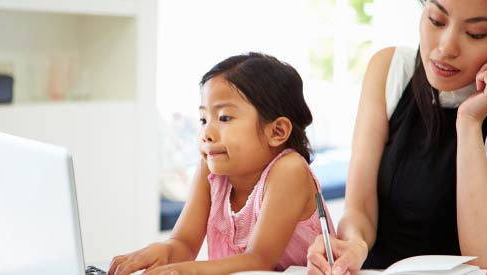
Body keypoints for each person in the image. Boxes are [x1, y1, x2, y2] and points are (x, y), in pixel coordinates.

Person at [306, 0, 487, 274]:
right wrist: (354, 244)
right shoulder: (390, 69)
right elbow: (360, 209)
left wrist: (469, 122)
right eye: (436, 21)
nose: (446, 47)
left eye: (476, 34)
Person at [108, 52, 336, 275]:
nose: (206, 133)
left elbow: (259, 261)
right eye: (203, 119)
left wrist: (185, 270)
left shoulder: (289, 170)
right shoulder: (210, 171)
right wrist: (163, 251)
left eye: (224, 118)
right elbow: (184, 244)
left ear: (277, 131)